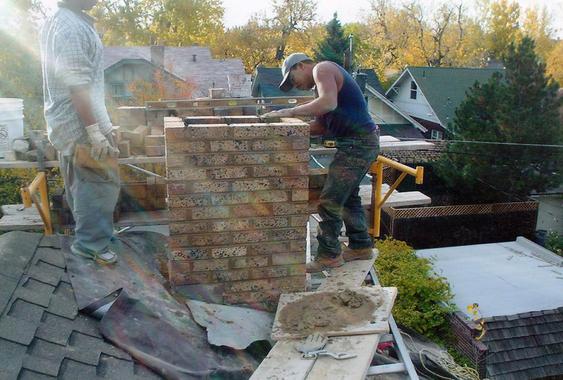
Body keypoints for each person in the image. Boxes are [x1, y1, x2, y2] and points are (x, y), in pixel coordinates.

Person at [263, 53, 380, 273]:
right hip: (359, 143)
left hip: (358, 144)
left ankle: (329, 255)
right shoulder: (322, 88)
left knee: (330, 200)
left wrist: (291, 111)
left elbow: (328, 103)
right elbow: (321, 127)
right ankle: (360, 246)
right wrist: (289, 129)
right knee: (348, 197)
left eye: (292, 79)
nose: (295, 85)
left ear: (300, 66)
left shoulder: (323, 69)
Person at [40, 0, 120, 264]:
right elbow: (77, 86)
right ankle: (90, 244)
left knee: (82, 182)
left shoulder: (63, 20)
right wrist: (95, 131)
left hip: (69, 121)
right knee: (98, 183)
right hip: (79, 122)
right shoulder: (71, 27)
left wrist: (105, 125)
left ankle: (96, 235)